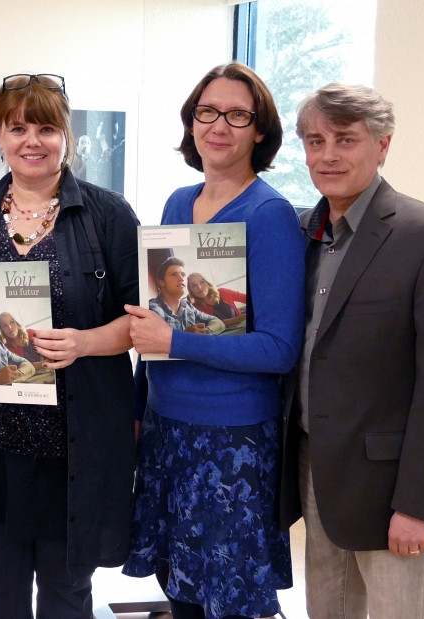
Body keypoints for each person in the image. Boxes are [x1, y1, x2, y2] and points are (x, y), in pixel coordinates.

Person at [278, 83, 424, 619]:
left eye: (345, 140)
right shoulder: (304, 234)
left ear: (382, 144)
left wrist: (419, 505)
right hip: (317, 468)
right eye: (315, 140)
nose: (327, 155)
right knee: (328, 608)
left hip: (393, 485)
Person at [0, 73, 139, 618]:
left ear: (66, 135)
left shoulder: (108, 215)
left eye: (46, 127)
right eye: (18, 126)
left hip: (72, 447)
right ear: (0, 136)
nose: (33, 140)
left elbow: (143, 323)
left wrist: (83, 342)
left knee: (66, 594)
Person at [122, 62, 304, 619]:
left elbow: (278, 349)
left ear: (259, 130)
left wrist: (175, 344)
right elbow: (156, 320)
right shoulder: (178, 203)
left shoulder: (269, 214)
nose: (218, 125)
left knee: (234, 599)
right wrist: (137, 409)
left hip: (232, 441)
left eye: (237, 114)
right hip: (166, 428)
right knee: (180, 589)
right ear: (191, 122)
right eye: (207, 111)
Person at [148, 256, 225, 334]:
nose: (181, 278)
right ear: (161, 282)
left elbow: (217, 321)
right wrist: (185, 336)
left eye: (183, 275)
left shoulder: (188, 306)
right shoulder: (151, 309)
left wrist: (206, 331)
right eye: (174, 274)